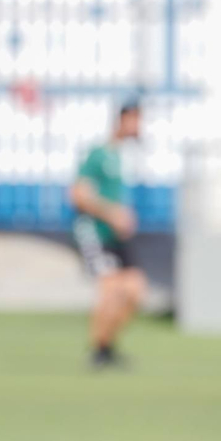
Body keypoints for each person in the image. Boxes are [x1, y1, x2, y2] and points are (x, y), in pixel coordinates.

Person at [70, 100, 147, 369]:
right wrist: (112, 214)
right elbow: (78, 195)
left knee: (135, 290)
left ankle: (107, 346)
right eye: (135, 120)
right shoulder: (99, 154)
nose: (139, 127)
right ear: (122, 120)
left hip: (117, 235)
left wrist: (123, 216)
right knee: (110, 289)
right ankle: (98, 351)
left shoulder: (121, 156)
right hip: (95, 232)